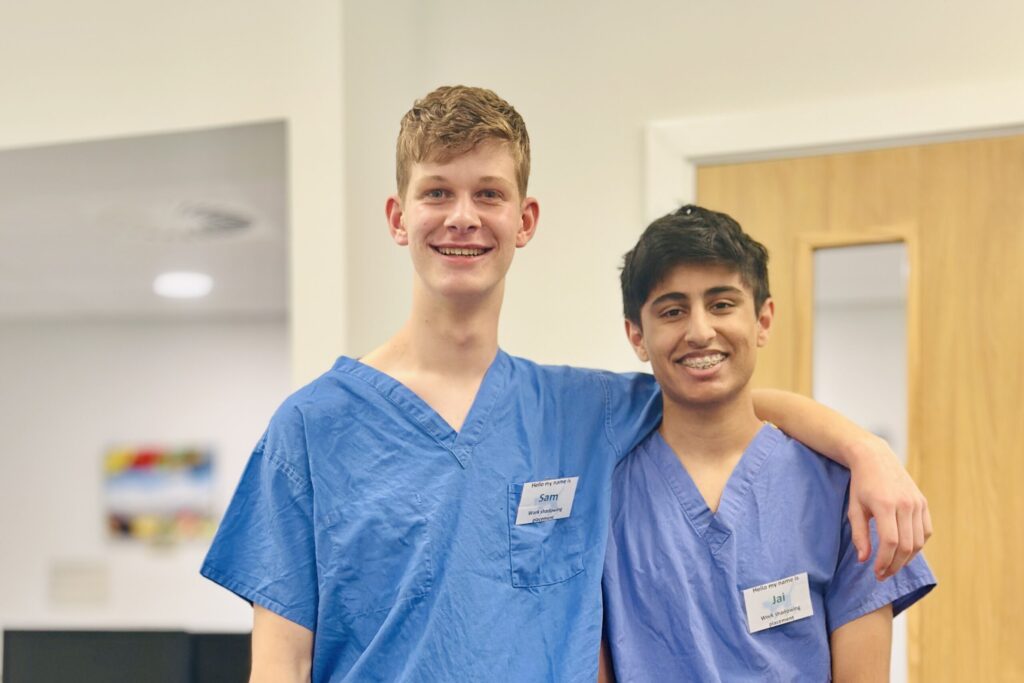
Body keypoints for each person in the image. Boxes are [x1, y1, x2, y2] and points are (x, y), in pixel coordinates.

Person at [201, 86, 931, 682]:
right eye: (437, 192)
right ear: (398, 218)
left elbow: (721, 399)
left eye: (489, 193)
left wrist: (866, 451)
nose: (463, 217)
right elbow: (280, 664)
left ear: (525, 219)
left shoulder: (578, 413)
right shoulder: (312, 427)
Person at [600, 205, 936, 682]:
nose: (700, 331)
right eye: (673, 311)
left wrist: (867, 449)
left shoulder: (846, 495)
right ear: (637, 335)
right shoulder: (604, 497)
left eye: (722, 304)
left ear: (763, 319)